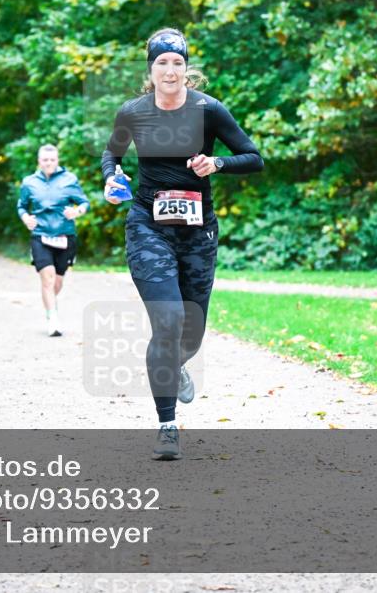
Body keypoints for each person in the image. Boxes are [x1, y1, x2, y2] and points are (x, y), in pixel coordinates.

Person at [102, 28, 263, 460]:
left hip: (198, 232)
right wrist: (111, 178)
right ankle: (167, 425)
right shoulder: (133, 112)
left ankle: (181, 363)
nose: (170, 70)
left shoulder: (208, 111)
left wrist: (217, 162)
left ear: (186, 69)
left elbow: (254, 157)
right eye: (162, 63)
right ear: (151, 70)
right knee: (168, 322)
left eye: (177, 63)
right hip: (148, 227)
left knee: (189, 334)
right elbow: (112, 155)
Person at [18, 144, 90, 337]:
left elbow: (84, 202)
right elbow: (22, 206)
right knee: (47, 278)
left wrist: (76, 211)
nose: (48, 163)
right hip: (40, 235)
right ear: (39, 161)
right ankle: (53, 319)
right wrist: (26, 218)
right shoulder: (29, 182)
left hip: (65, 236)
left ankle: (50, 303)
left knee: (57, 282)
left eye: (52, 160)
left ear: (57, 160)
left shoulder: (69, 179)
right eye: (45, 160)